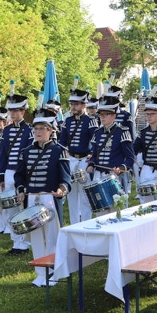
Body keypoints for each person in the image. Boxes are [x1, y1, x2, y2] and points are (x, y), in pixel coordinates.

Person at [14, 108, 71, 287]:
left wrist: (62, 189)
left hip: (50, 198)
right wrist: (20, 189)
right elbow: (19, 176)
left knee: (52, 237)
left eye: (42, 128)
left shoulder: (59, 151)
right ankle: (40, 273)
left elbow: (66, 178)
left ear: (51, 130)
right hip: (32, 198)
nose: (38, 132)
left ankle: (53, 272)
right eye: (36, 128)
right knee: (37, 237)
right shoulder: (26, 151)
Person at [0, 92, 33, 255]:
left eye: (16, 110)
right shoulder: (6, 130)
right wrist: (1, 175)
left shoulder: (29, 130)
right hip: (8, 172)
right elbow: (3, 154)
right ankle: (15, 241)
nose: (12, 114)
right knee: (10, 208)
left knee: (22, 207)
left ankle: (24, 242)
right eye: (11, 111)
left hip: (22, 173)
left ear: (23, 111)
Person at [86, 95, 136, 206]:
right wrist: (91, 164)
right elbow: (94, 155)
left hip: (115, 176)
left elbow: (130, 158)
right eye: (101, 114)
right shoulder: (97, 133)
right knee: (101, 208)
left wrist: (121, 168)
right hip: (98, 175)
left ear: (114, 115)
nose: (102, 117)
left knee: (118, 208)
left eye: (106, 114)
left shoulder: (122, 132)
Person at [59, 85, 94, 224]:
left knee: (85, 195)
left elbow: (95, 141)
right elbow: (62, 142)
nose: (73, 107)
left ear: (84, 105)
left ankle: (86, 222)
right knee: (71, 195)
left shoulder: (90, 121)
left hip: (85, 160)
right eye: (72, 104)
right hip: (71, 159)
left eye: (76, 104)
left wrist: (92, 156)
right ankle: (74, 224)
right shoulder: (67, 121)